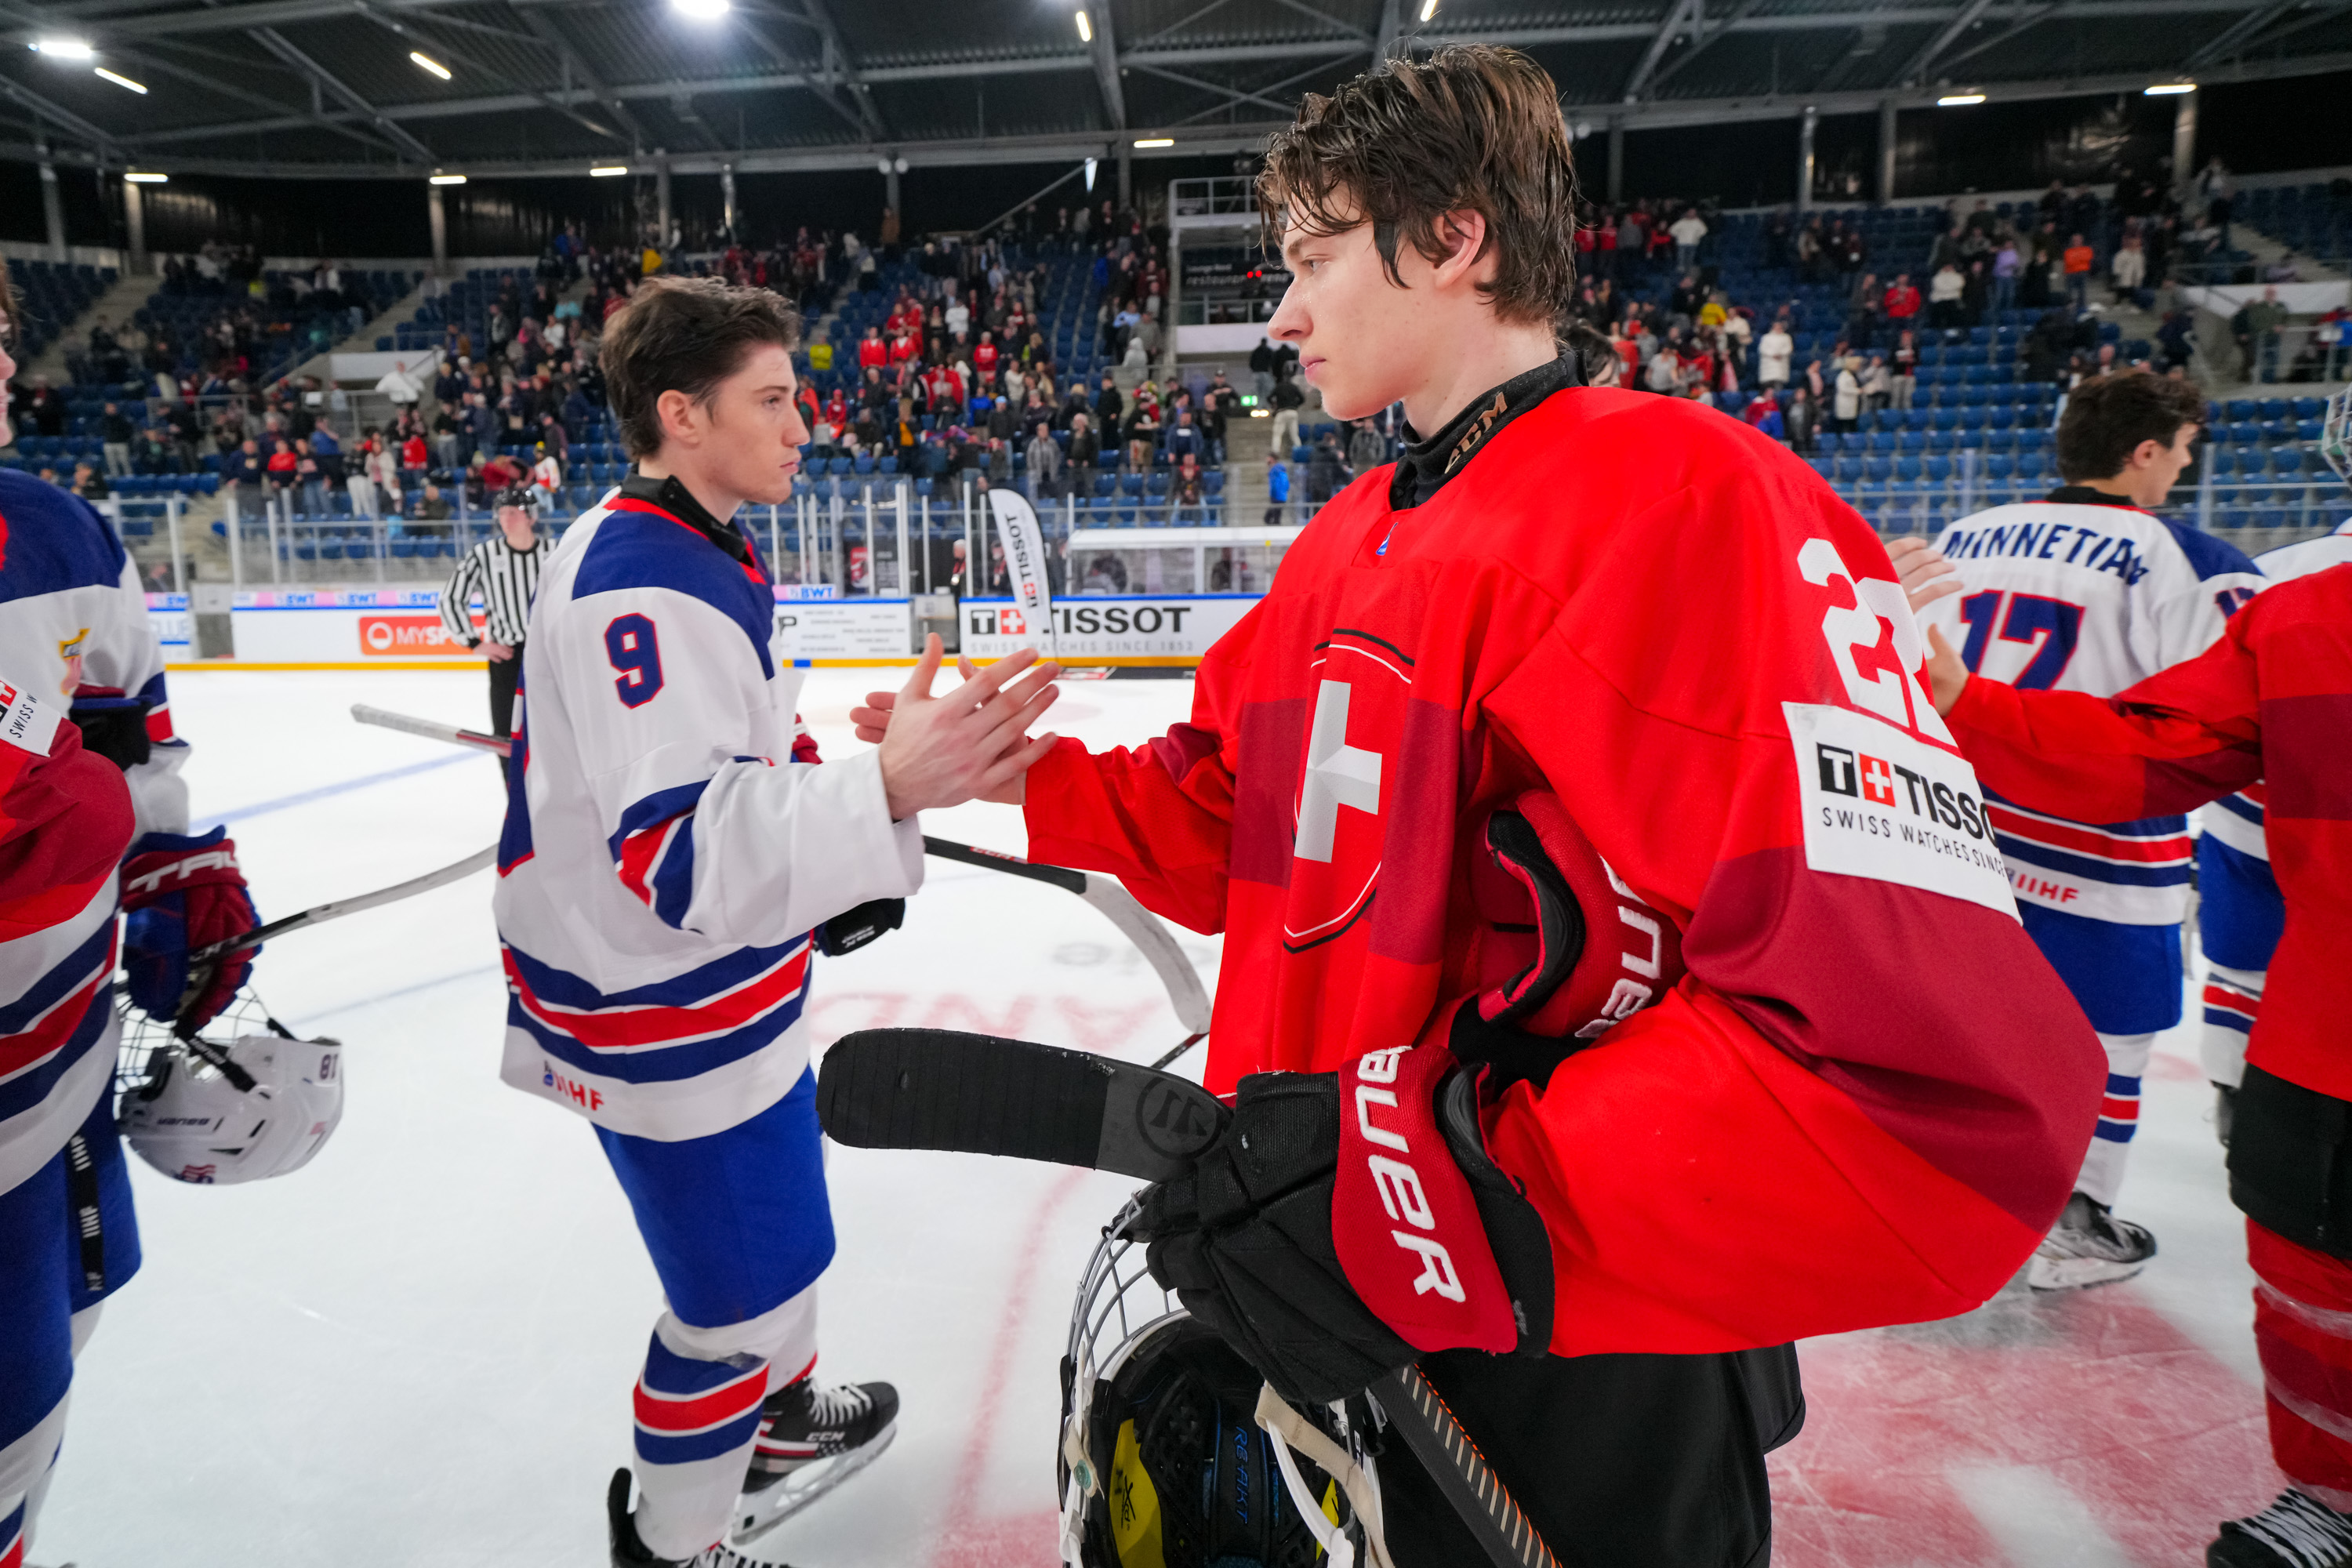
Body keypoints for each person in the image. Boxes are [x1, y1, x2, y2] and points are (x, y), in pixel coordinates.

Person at [850, 47, 2096, 1566]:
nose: (1282, 312)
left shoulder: (1695, 506)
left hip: (1560, 1363)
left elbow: (1931, 1082)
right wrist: (1017, 773)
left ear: (1454, 238)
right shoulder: (1349, 542)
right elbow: (1262, 836)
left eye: (1312, 259)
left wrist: (1434, 1192)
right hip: (1327, 1307)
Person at [492, 277, 1060, 1568]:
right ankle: (678, 1543)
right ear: (682, 415)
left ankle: (783, 1422)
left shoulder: (687, 537)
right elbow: (684, 857)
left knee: (785, 1238)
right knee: (731, 1301)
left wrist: (836, 834)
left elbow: (729, 763)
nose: (805, 425)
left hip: (711, 988)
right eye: (772, 400)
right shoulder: (649, 581)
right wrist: (881, 797)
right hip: (655, 1011)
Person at [1912, 448, 2352, 1567]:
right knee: (2309, 1272)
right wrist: (1964, 701)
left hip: (2001, 840)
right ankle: (2331, 1499)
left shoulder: (2281, 586)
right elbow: (2152, 747)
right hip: (2315, 1027)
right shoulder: (2293, 606)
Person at [1888, 370, 2263, 1292]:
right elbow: (2220, 723)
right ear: (2146, 450)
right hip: (2102, 834)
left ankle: (1926, 1195)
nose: (2182, 466)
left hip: (1956, 823)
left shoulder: (1964, 532)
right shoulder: (2192, 558)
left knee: (1961, 1021)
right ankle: (2071, 1219)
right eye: (2180, 450)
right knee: (2109, 1040)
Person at [0, 267, 263, 1568]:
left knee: (32, 1411)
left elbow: (130, 754)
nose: (3, 366)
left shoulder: (62, 540)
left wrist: (180, 870)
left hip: (55, 1089)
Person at [438, 483, 550, 775]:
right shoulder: (484, 554)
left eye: (513, 512)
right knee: (506, 739)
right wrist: (474, 643)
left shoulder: (554, 552)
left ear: (530, 517)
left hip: (548, 659)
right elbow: (451, 599)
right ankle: (515, 805)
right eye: (501, 513)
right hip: (507, 659)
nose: (505, 519)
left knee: (554, 737)